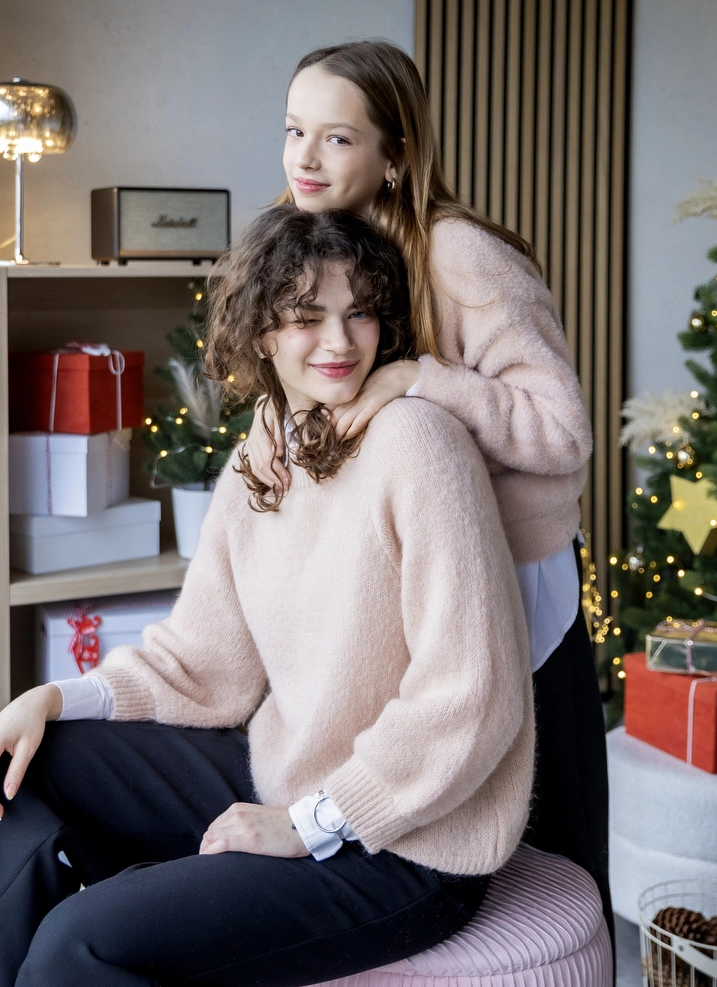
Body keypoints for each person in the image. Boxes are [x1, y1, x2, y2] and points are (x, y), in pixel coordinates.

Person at [0, 207, 535, 987]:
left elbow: (472, 697)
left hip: (405, 844)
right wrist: (49, 698)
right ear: (262, 334)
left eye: (359, 313)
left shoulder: (419, 444)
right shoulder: (268, 451)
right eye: (307, 317)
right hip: (287, 774)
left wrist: (308, 822)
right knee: (16, 767)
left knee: (79, 942)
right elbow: (201, 663)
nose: (339, 341)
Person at [254, 39, 610, 933]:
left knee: (541, 837)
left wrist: (419, 380)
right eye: (294, 130)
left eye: (337, 138)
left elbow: (563, 428)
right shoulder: (310, 243)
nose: (304, 158)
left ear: (396, 154)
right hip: (394, 576)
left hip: (511, 580)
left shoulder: (458, 255)